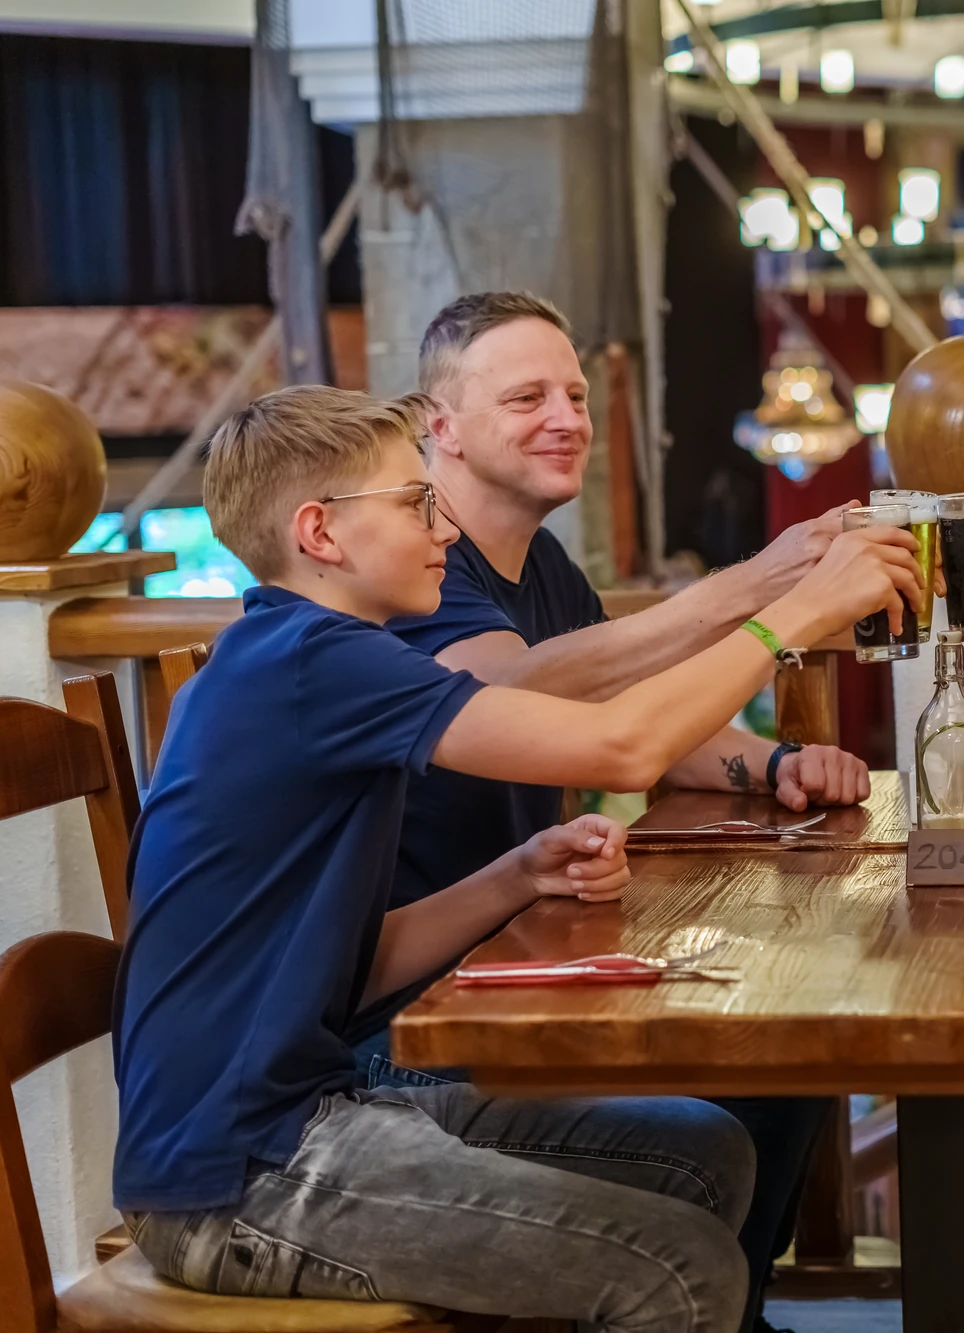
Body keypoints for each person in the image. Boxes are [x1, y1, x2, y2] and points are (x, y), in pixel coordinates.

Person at [117, 386, 922, 1333]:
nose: (442, 529)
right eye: (414, 503)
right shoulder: (313, 661)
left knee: (708, 1150)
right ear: (320, 533)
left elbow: (348, 964)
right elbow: (622, 748)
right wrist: (796, 609)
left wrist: (517, 874)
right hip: (238, 1175)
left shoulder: (313, 656)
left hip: (306, 1114)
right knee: (681, 1268)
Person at [343, 292, 864, 1331]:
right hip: (398, 1027)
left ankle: (730, 1313)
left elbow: (625, 713)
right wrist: (757, 588)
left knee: (793, 1057)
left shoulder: (537, 561)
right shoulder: (413, 576)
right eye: (526, 395)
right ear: (437, 426)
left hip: (518, 964)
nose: (566, 417)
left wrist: (776, 764)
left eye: (575, 394)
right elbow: (529, 695)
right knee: (754, 1074)